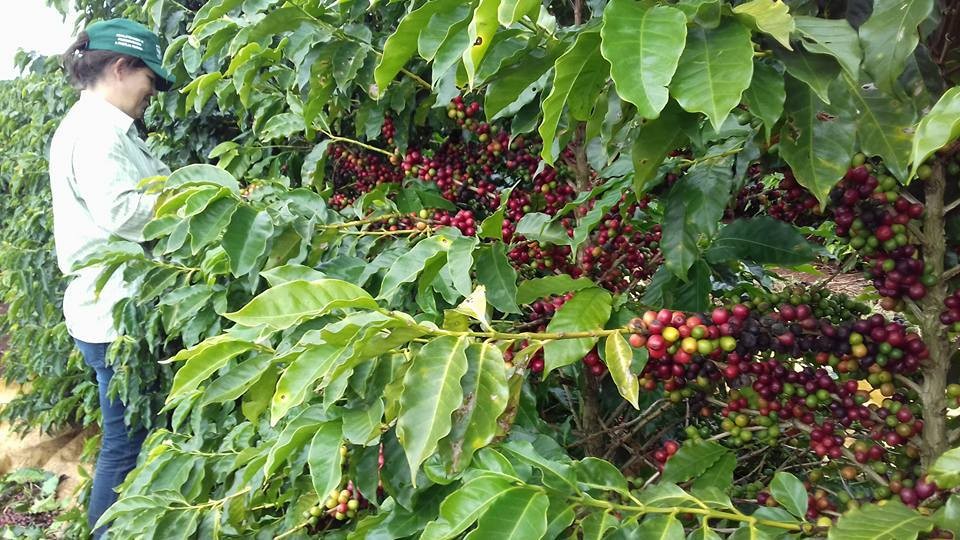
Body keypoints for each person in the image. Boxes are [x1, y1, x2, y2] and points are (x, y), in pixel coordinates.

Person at [48, 18, 176, 538]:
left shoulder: (100, 127)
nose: (151, 94)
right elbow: (123, 212)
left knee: (131, 435)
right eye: (150, 79)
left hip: (111, 310)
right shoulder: (97, 132)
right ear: (122, 67)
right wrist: (199, 201)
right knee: (126, 441)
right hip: (116, 314)